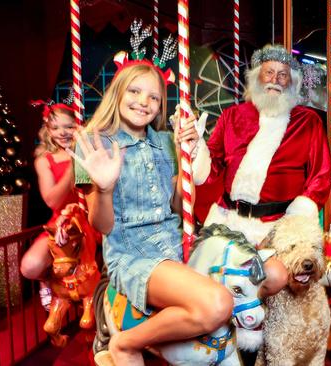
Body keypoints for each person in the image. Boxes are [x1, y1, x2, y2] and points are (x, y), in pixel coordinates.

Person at [69, 60, 233, 365]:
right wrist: (104, 188)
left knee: (250, 273)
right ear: (117, 93)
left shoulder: (164, 142)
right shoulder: (95, 143)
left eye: (154, 97)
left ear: (161, 106)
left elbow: (177, 206)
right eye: (134, 91)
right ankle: (125, 344)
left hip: (175, 240)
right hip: (133, 254)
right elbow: (102, 226)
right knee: (218, 303)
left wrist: (186, 155)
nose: (143, 102)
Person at [191, 44, 331, 250]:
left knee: (276, 278)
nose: (275, 80)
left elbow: (321, 175)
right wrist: (197, 146)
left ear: (292, 81)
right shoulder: (232, 116)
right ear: (257, 77)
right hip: (228, 220)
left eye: (283, 75)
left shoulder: (307, 121)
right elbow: (212, 168)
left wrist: (296, 216)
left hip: (279, 226)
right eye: (269, 73)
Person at [20, 101, 80, 311]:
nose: (62, 132)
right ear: (47, 130)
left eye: (68, 126)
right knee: (30, 266)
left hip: (90, 218)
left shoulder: (89, 151)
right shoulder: (44, 160)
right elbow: (52, 200)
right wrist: (73, 166)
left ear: (78, 126)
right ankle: (47, 281)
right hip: (61, 222)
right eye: (55, 128)